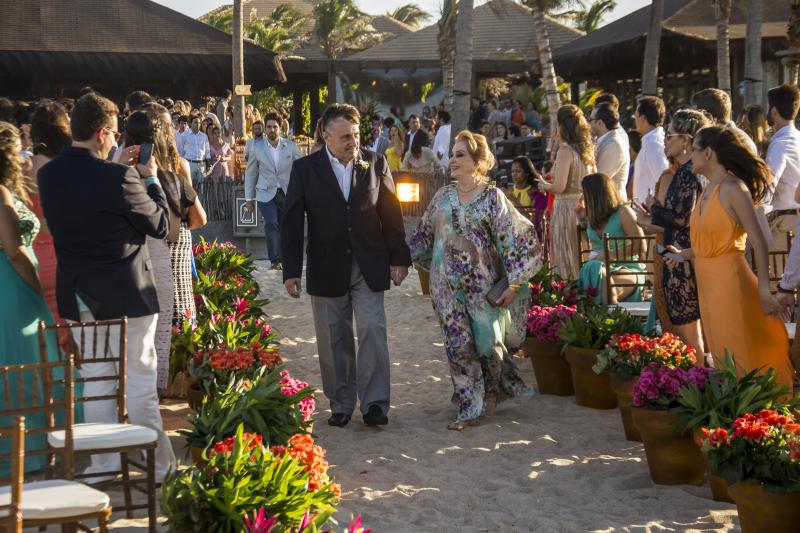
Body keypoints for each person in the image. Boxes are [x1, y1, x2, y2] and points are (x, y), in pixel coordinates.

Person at [38, 93, 175, 480]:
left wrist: (116, 171)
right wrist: (150, 178)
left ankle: (103, 464)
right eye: (114, 134)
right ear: (101, 134)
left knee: (95, 382)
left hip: (79, 295)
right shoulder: (120, 177)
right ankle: (159, 467)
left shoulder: (49, 175)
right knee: (139, 385)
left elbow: (86, 209)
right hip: (127, 296)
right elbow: (160, 224)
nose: (116, 140)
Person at [281, 103, 411, 428]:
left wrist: (399, 257)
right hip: (326, 264)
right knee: (333, 337)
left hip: (368, 262)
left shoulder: (376, 162)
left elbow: (391, 212)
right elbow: (292, 222)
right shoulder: (304, 169)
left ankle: (375, 404)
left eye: (355, 135)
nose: (353, 142)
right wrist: (291, 271)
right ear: (326, 137)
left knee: (372, 329)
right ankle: (341, 402)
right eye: (345, 137)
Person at [409, 131, 541, 429]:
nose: (452, 160)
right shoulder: (442, 197)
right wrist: (397, 260)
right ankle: (470, 406)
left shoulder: (493, 198)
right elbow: (422, 237)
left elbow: (516, 238)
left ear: (478, 162)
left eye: (460, 155)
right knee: (458, 347)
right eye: (452, 155)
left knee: (488, 346)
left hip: (483, 289)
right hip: (445, 289)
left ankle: (491, 393)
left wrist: (513, 284)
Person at [665, 126, 793, 389]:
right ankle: (737, 410)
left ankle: (759, 409)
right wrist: (683, 255)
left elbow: (758, 240)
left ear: (708, 153)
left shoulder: (733, 187)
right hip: (708, 285)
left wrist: (764, 289)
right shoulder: (708, 189)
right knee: (723, 355)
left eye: (694, 150)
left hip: (731, 284)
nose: (690, 155)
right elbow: (710, 243)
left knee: (740, 353)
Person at [0, 121, 65, 473]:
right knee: (23, 370)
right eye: (18, 150)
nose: (23, 156)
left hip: (11, 287)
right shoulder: (1, 193)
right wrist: (36, 287)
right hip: (14, 288)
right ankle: (27, 451)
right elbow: (14, 250)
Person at [633, 109, 709, 353]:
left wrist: (654, 207)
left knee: (688, 333)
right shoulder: (688, 171)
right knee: (685, 331)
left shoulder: (688, 173)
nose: (665, 141)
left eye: (670, 135)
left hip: (682, 257)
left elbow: (682, 218)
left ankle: (696, 374)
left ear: (686, 140)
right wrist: (651, 215)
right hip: (679, 253)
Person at [143, 102, 207, 338]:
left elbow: (197, 218)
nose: (171, 132)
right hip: (171, 261)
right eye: (166, 127)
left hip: (159, 266)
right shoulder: (176, 168)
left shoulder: (131, 167)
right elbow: (198, 219)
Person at [124, 110, 175, 393]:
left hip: (132, 265)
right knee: (149, 347)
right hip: (148, 263)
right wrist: (153, 180)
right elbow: (165, 227)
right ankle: (150, 397)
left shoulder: (115, 167)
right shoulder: (163, 174)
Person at [28, 100, 73, 351]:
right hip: (59, 256)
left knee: (38, 338)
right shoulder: (61, 169)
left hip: (28, 257)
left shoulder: (21, 168)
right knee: (64, 340)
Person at [538, 104, 596, 280]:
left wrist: (544, 185)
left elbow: (559, 187)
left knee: (566, 258)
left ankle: (568, 290)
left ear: (562, 126)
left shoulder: (565, 151)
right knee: (581, 253)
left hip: (565, 208)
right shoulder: (586, 151)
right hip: (584, 206)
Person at [244, 114, 303, 270]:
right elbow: (251, 174)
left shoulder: (290, 146)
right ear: (265, 128)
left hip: (285, 192)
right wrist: (249, 199)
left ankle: (284, 258)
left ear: (280, 128)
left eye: (275, 127)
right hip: (264, 192)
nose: (271, 130)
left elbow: (302, 167)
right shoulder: (257, 148)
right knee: (271, 222)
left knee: (284, 225)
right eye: (269, 127)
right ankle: (274, 260)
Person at [577, 173, 646, 304]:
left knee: (605, 289)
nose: (582, 197)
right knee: (596, 272)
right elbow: (589, 248)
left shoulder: (623, 212)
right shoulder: (591, 215)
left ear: (595, 194)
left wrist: (608, 255)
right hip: (599, 268)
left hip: (627, 267)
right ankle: (608, 312)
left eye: (584, 193)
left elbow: (641, 246)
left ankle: (608, 313)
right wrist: (581, 220)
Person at [764, 84, 800, 251]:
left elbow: (769, 184)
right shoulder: (796, 138)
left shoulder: (780, 144)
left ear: (774, 111)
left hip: (785, 224)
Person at [692, 88, 758, 154]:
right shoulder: (727, 137)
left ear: (708, 117)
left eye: (696, 116)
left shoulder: (728, 142)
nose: (694, 121)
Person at [632, 96, 669, 204]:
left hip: (649, 210)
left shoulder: (653, 144)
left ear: (643, 118)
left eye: (636, 116)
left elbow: (663, 179)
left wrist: (654, 208)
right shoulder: (651, 141)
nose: (634, 119)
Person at [591, 102, 630, 201]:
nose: (588, 124)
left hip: (612, 205)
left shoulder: (614, 145)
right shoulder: (604, 141)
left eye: (591, 120)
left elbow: (599, 179)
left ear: (600, 123)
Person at [508, 156, 548, 241]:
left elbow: (531, 222)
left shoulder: (536, 193)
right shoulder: (509, 192)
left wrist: (514, 200)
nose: (514, 174)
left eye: (518, 171)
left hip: (530, 237)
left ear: (527, 173)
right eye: (512, 171)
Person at [179, 116, 211, 187]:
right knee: (190, 187)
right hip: (190, 164)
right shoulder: (184, 135)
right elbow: (181, 150)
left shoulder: (204, 136)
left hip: (202, 164)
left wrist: (208, 163)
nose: (198, 124)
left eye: (199, 123)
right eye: (195, 122)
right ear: (190, 124)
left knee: (202, 187)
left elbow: (207, 150)